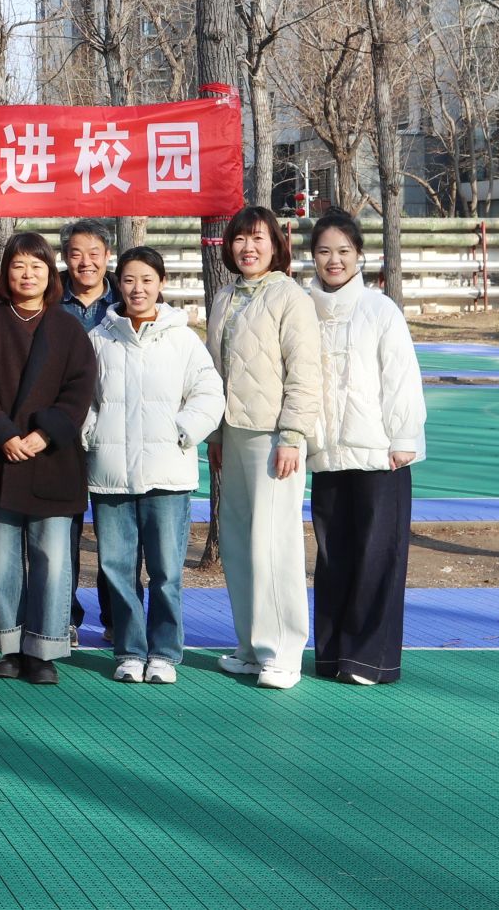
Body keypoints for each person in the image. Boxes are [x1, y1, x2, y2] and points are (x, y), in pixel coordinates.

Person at [83, 246, 223, 684]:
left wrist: (183, 431)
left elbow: (208, 393)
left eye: (146, 279)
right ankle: (129, 651)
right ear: (118, 284)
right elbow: (83, 398)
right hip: (111, 476)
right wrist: (91, 433)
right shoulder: (100, 339)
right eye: (128, 280)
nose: (137, 288)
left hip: (168, 474)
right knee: (117, 570)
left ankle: (163, 652)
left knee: (165, 572)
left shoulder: (182, 339)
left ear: (161, 283)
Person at [0, 232, 96, 686]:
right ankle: (9, 646)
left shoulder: (67, 327)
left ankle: (44, 648)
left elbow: (80, 389)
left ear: (50, 272)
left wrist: (45, 434)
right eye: (19, 265)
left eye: (37, 266)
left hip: (52, 459)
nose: (27, 274)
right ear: (5, 272)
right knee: (3, 560)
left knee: (52, 558)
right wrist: (3, 433)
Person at [207, 206, 323, 690]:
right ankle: (251, 647)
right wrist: (215, 435)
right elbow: (213, 372)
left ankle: (283, 653)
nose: (247, 248)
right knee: (237, 542)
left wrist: (293, 435)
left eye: (258, 239)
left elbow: (306, 372)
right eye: (240, 239)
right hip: (233, 434)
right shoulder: (224, 296)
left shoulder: (290, 297)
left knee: (273, 544)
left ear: (276, 245)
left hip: (274, 437)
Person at [307, 210, 425, 685]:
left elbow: (401, 378)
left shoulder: (380, 309)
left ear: (359, 255)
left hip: (380, 454)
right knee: (333, 558)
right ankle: (331, 655)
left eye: (343, 251)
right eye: (324, 251)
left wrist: (403, 438)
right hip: (327, 454)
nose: (333, 260)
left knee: (378, 557)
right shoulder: (304, 309)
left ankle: (369, 660)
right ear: (312, 257)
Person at [59, 220, 119, 638]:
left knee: (116, 534)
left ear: (107, 256)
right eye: (76, 253)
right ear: (65, 257)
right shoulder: (50, 298)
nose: (86, 262)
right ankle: (64, 616)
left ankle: (117, 619)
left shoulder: (127, 297)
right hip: (62, 433)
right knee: (63, 531)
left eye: (94, 253)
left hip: (114, 430)